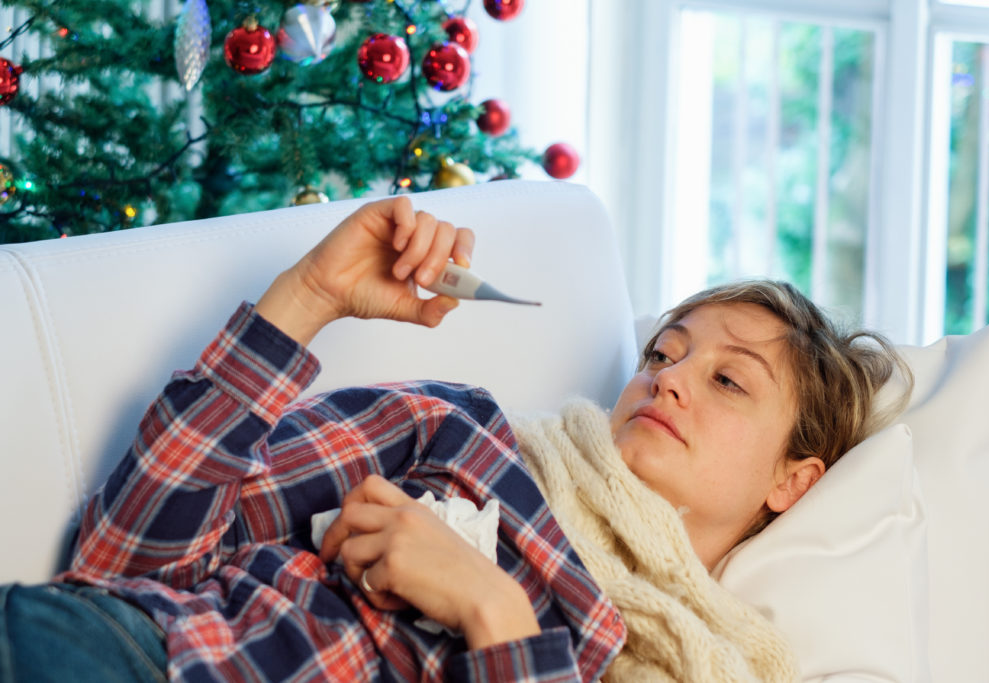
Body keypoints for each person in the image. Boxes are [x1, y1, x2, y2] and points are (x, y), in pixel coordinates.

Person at [0, 197, 909, 683]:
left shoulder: (693, 665)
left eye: (726, 378)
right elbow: (122, 559)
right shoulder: (461, 433)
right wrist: (310, 295)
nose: (667, 375)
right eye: (663, 351)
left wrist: (494, 612)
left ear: (794, 481)